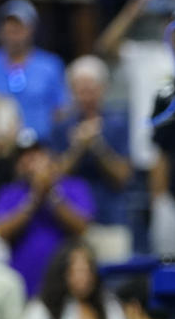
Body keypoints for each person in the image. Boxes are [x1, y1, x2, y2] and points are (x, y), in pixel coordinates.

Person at [0, 131, 94, 295]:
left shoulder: (74, 186)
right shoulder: (8, 193)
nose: (31, 160)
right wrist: (34, 196)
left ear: (50, 156)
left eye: (37, 153)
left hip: (66, 281)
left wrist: (52, 194)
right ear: (17, 164)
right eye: (24, 156)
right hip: (23, 281)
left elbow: (81, 227)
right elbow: (3, 232)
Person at [52, 56, 133, 261]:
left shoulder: (118, 123)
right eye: (80, 89)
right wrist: (78, 148)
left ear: (103, 89)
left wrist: (98, 146)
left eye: (91, 89)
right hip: (71, 223)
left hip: (111, 220)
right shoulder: (62, 127)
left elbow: (122, 176)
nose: (86, 96)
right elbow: (54, 176)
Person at [0, 0, 69, 141]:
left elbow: (60, 110)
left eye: (20, 26)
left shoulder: (50, 65)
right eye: (9, 26)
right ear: (0, 29)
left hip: (40, 145)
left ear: (32, 29)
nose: (14, 32)